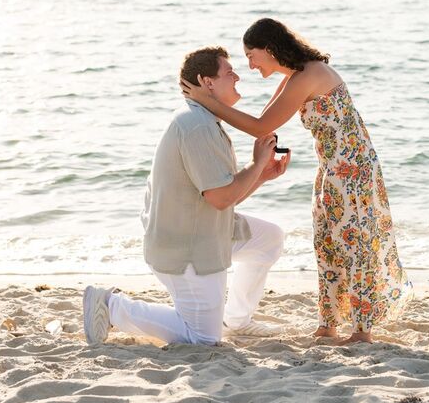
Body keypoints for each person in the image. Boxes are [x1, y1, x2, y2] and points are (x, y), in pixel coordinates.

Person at [180, 19, 413, 344]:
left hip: (352, 169)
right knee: (327, 241)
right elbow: (264, 120)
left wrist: (209, 102)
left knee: (353, 244)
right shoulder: (297, 75)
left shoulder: (311, 74)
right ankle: (328, 324)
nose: (249, 65)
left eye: (252, 55)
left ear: (270, 49)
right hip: (332, 166)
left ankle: (362, 331)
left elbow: (261, 126)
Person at [83, 46, 290, 346]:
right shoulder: (196, 127)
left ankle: (237, 319)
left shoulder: (203, 120)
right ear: (207, 82)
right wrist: (257, 163)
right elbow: (220, 199)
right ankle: (111, 306)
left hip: (208, 231)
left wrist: (261, 175)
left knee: (269, 238)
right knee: (203, 338)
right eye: (229, 73)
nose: (237, 78)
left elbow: (221, 197)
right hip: (187, 247)